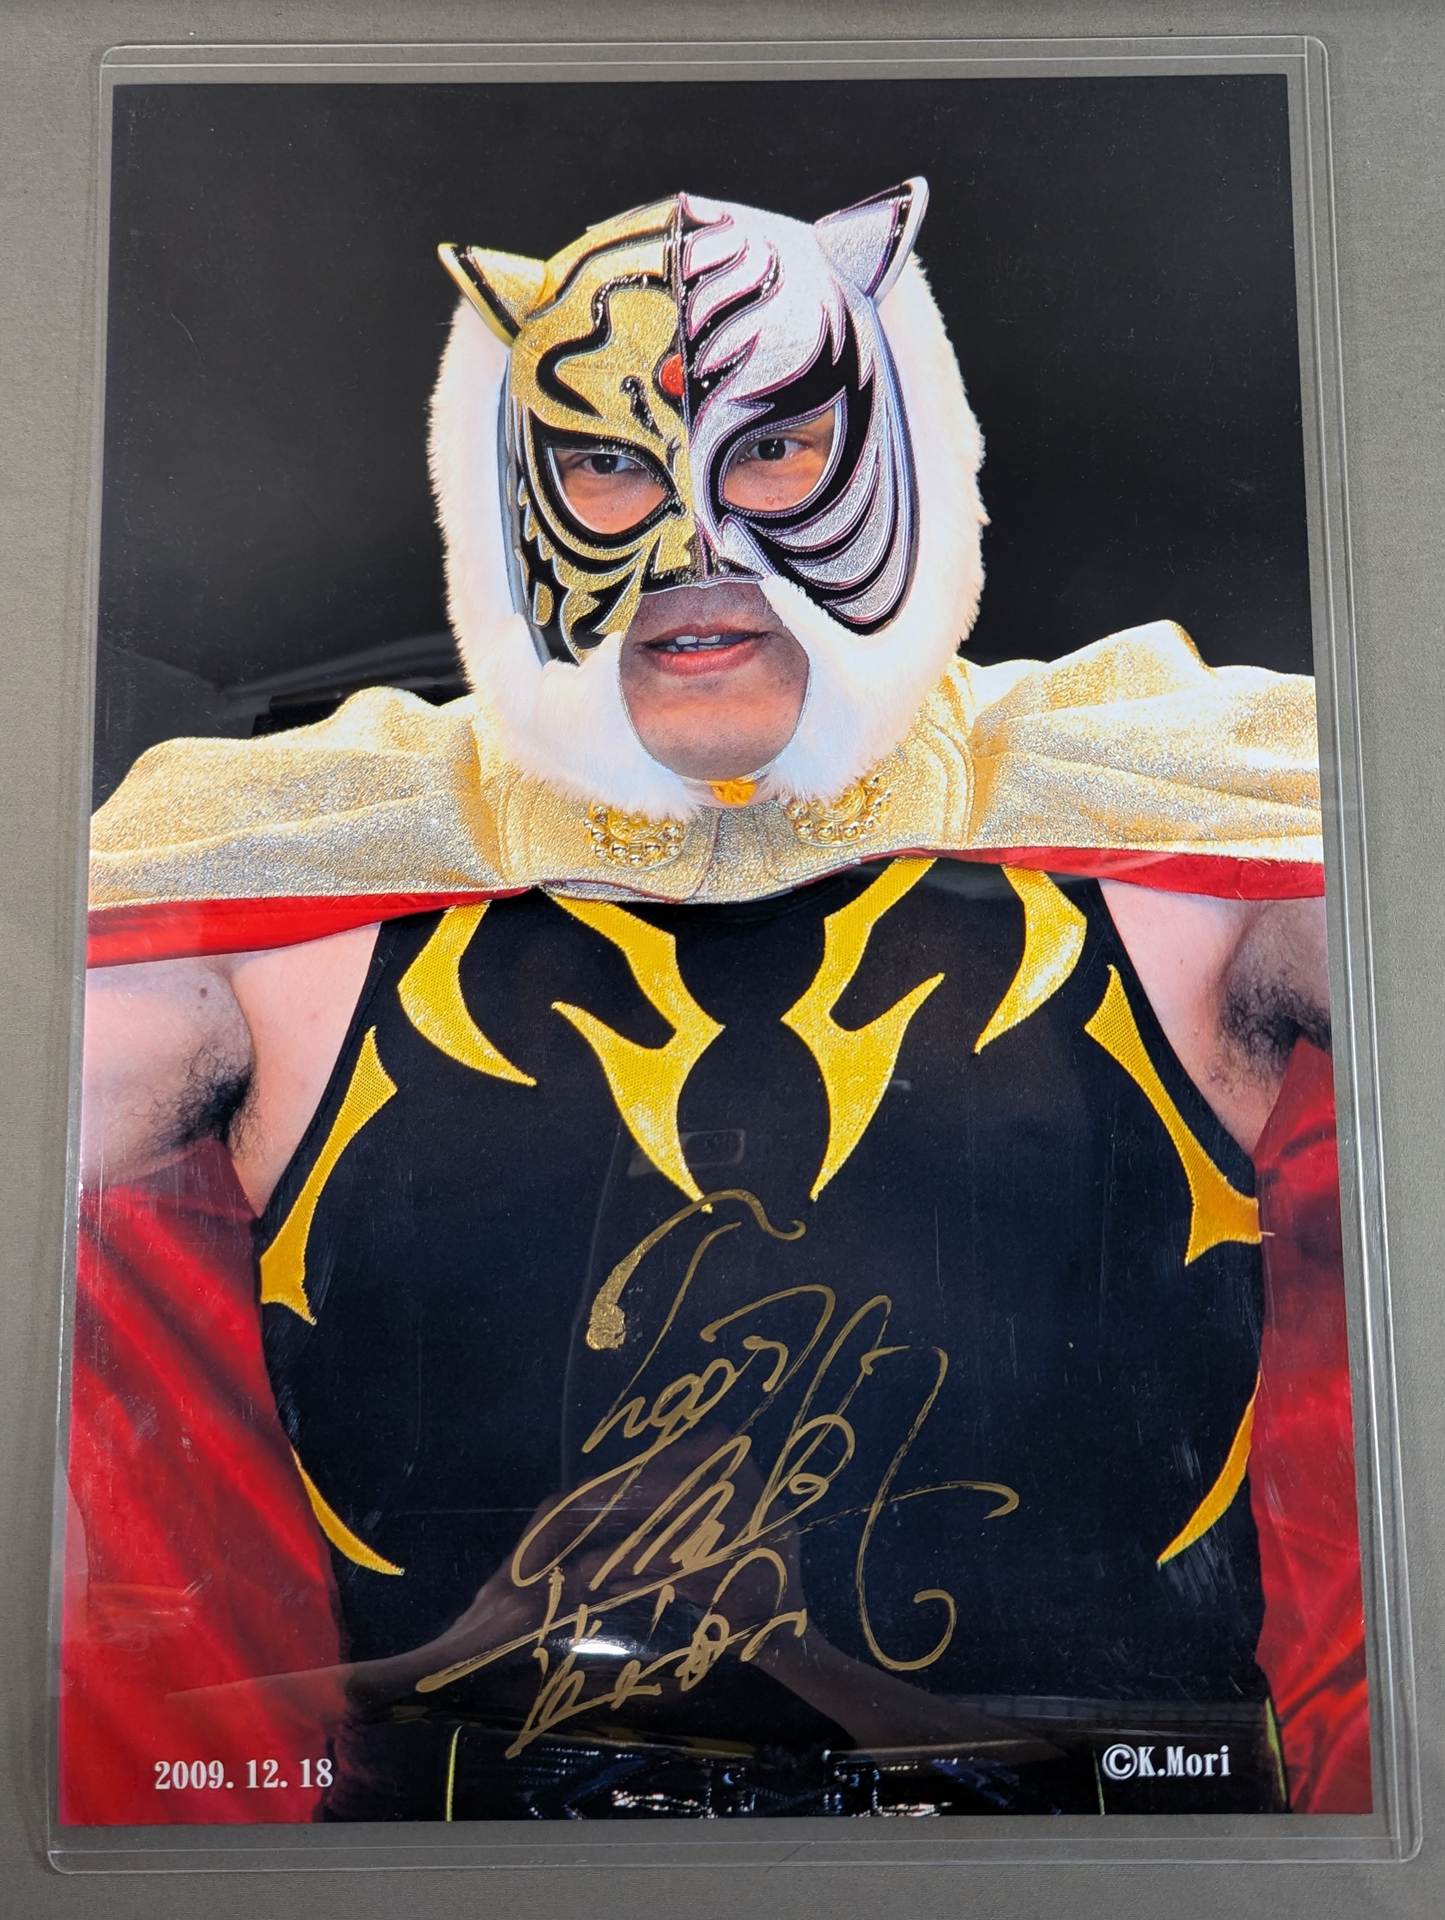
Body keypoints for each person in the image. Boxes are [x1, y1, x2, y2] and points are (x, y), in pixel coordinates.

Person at [68, 180, 1363, 1822]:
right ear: (510, 491)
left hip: (1104, 1872)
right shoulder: (282, 876)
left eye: (775, 449)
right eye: (609, 464)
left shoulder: (1177, 824)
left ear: (897, 455)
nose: (697, 546)